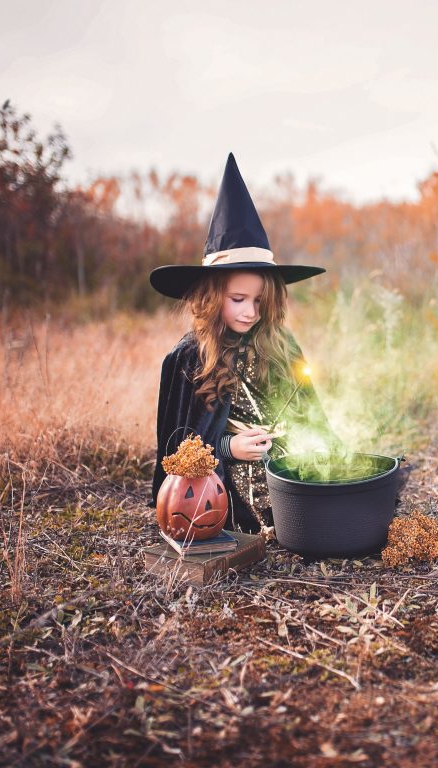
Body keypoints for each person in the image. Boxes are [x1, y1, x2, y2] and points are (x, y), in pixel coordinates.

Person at [149, 153, 338, 534]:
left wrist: (317, 447)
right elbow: (177, 450)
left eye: (259, 301)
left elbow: (310, 414)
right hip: (225, 496)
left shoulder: (280, 343)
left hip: (292, 479)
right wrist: (227, 449)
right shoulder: (190, 358)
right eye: (238, 299)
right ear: (211, 295)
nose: (250, 312)